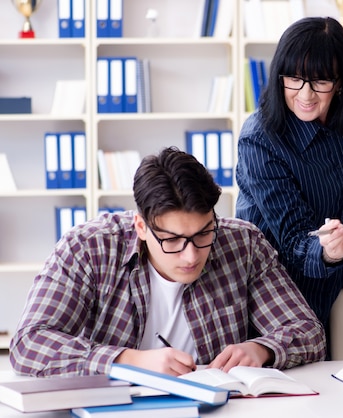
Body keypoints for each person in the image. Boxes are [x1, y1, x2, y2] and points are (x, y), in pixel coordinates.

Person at [10, 147, 326, 377]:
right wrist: (129, 360)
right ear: (141, 226)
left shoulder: (242, 242)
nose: (191, 256)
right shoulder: (89, 247)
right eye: (172, 240)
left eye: (204, 234)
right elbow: (29, 344)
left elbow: (308, 331)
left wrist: (262, 349)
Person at [235, 16, 343, 339]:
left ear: (340, 81)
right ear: (280, 77)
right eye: (294, 79)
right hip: (273, 305)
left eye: (320, 82)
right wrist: (329, 252)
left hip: (337, 293)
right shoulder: (259, 137)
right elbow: (293, 241)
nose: (305, 94)